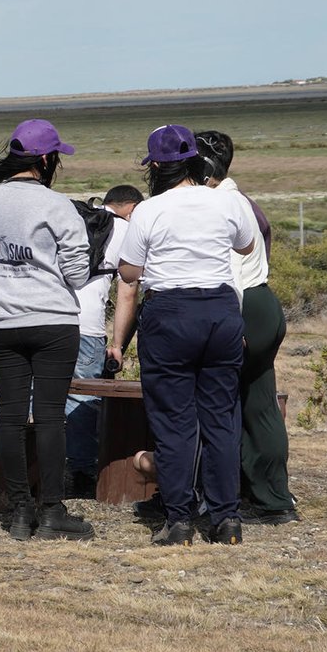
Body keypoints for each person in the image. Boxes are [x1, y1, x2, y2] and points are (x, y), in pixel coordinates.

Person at [109, 125, 256, 546]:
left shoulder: (150, 210)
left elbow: (129, 272)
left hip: (170, 311)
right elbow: (246, 246)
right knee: (222, 417)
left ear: (155, 166)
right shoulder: (227, 202)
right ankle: (227, 518)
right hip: (220, 309)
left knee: (174, 422)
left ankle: (179, 520)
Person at [0, 120, 93, 541]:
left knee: (11, 415)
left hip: (2, 322)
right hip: (52, 320)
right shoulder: (56, 204)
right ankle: (53, 510)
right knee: (51, 418)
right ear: (45, 159)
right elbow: (77, 272)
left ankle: (19, 510)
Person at [196, 129, 299, 525]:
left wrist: (231, 322)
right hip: (264, 302)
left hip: (238, 304)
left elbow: (232, 270)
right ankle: (274, 499)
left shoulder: (219, 207)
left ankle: (214, 497)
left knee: (214, 403)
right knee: (260, 404)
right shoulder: (246, 203)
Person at [63, 184, 138, 496]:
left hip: (44, 317)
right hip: (88, 325)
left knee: (29, 392)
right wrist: (118, 344)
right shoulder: (123, 231)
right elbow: (127, 291)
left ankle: (12, 464)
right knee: (82, 400)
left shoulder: (66, 219)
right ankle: (81, 474)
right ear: (131, 208)